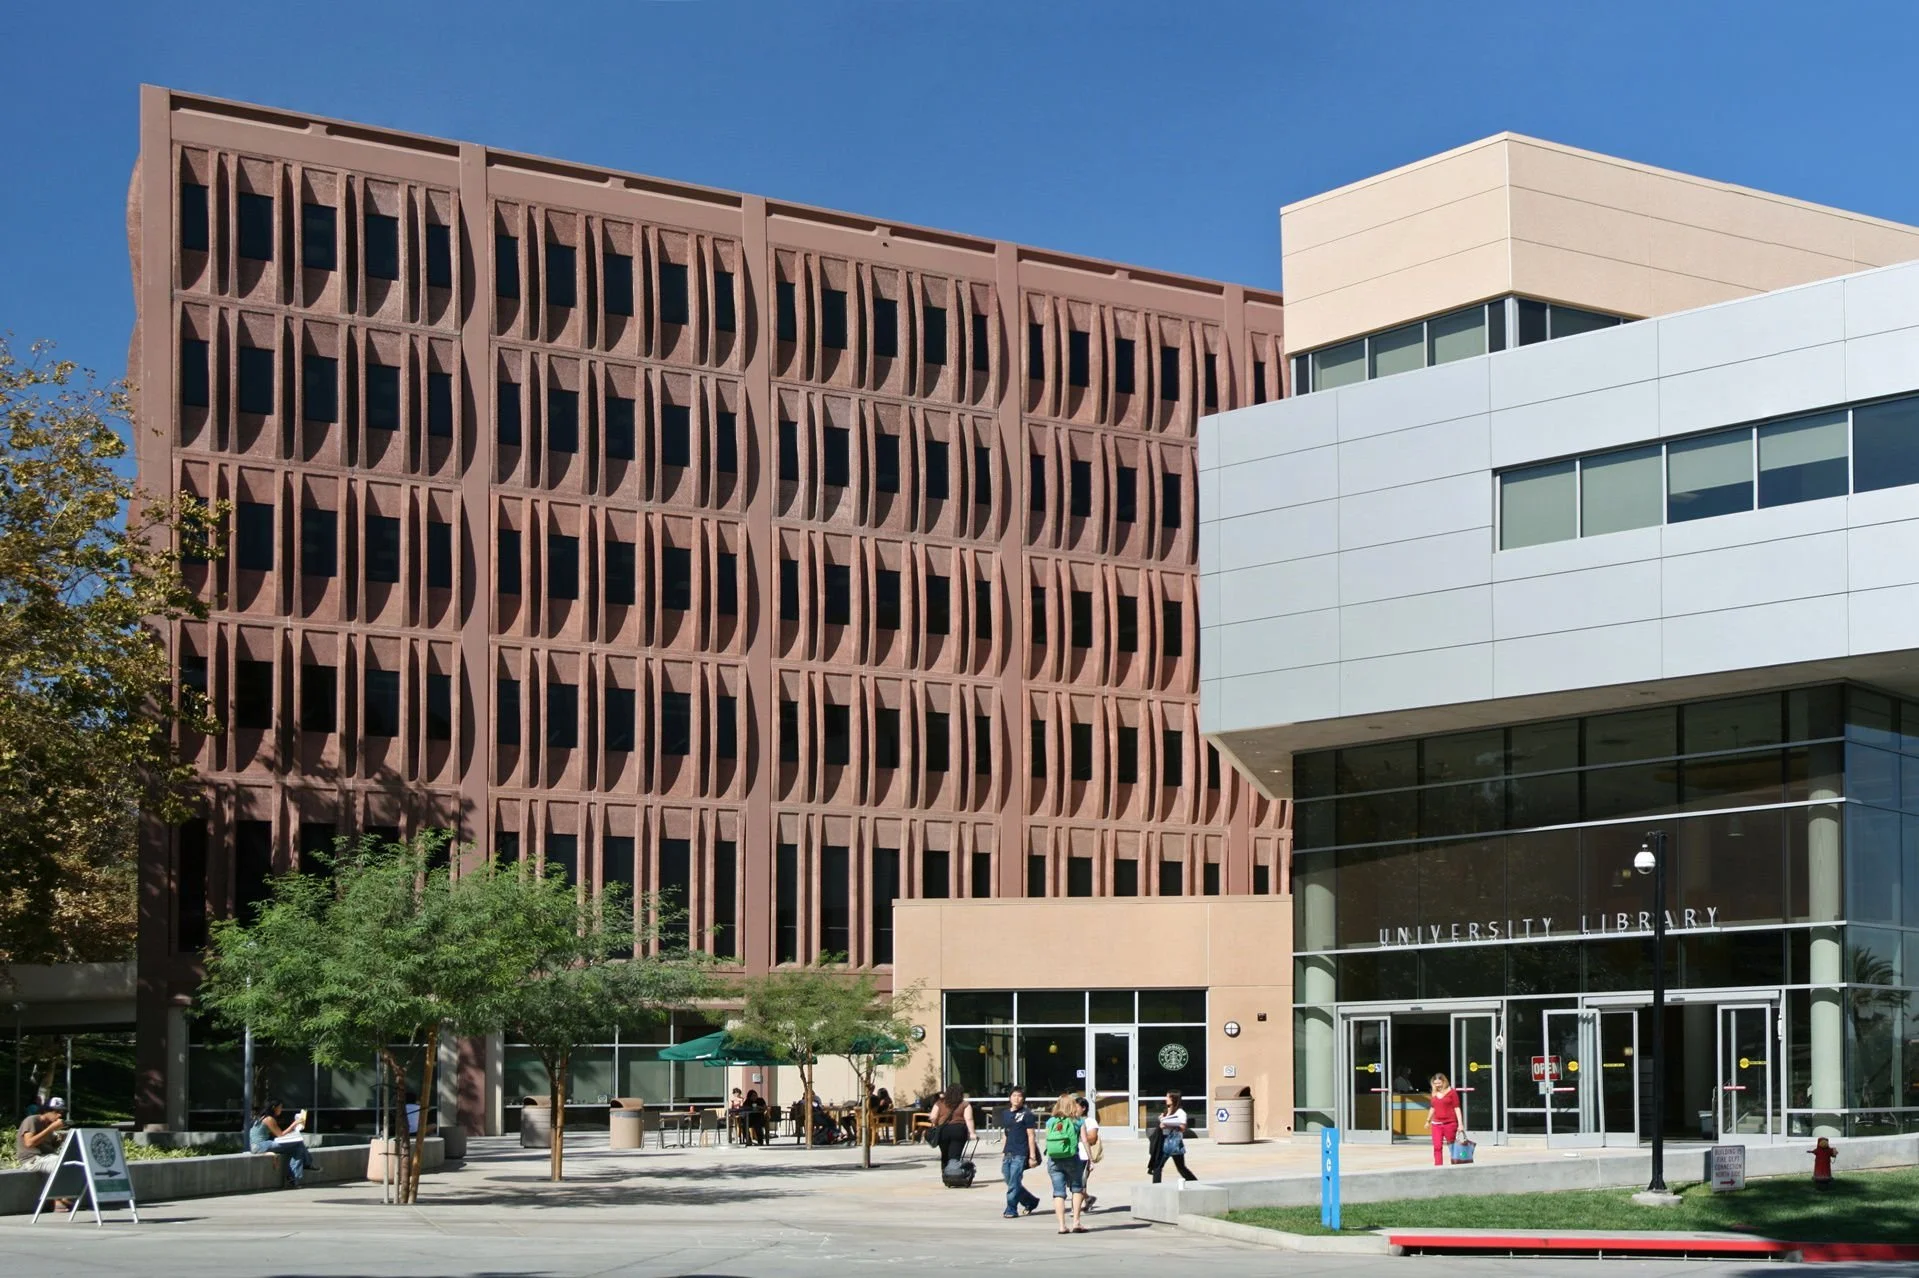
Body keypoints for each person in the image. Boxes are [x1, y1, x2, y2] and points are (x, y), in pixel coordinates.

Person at [17, 1096, 71, 1211]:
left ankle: (64, 1196)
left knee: (69, 1160)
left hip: (46, 1157)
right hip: (32, 1159)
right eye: (56, 1111)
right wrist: (51, 1129)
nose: (59, 1115)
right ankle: (56, 1200)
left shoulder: (49, 1125)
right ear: (46, 1110)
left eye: (62, 1112)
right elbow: (29, 1143)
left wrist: (58, 1141)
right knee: (58, 1163)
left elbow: (48, 1146)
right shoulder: (32, 1120)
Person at [1041, 1094, 1086, 1234]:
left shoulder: (1050, 1122)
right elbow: (1084, 1141)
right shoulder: (1078, 1121)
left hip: (1054, 1159)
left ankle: (1061, 1226)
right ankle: (1076, 1222)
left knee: (1058, 1193)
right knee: (1077, 1188)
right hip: (1073, 1158)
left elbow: (1047, 1139)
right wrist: (1090, 1158)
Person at [997, 1086, 1041, 1218]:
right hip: (1008, 1152)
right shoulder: (1005, 1113)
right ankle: (1031, 1201)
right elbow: (1006, 1132)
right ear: (1010, 1097)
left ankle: (1011, 1208)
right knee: (1009, 1180)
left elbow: (1031, 1135)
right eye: (1014, 1095)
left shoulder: (1027, 1114)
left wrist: (1032, 1156)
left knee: (1014, 1182)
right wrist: (1003, 1150)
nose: (1016, 1098)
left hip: (1021, 1153)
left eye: (1019, 1096)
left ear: (1023, 1099)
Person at [249, 1099, 312, 1188]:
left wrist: (293, 1129)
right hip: (260, 1146)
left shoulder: (263, 1117)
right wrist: (294, 1124)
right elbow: (280, 1135)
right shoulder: (269, 1119)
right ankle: (306, 1164)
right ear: (274, 1108)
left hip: (260, 1145)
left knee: (298, 1149)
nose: (281, 1110)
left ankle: (293, 1180)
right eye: (280, 1107)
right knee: (298, 1143)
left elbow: (279, 1135)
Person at [1148, 1091, 1196, 1183]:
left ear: (1173, 1099)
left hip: (1174, 1143)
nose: (1166, 1099)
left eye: (1168, 1097)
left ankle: (1195, 1183)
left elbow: (1182, 1128)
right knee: (1160, 1166)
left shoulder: (1180, 1112)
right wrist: (1162, 1120)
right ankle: (1194, 1182)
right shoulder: (1167, 1111)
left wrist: (1168, 1125)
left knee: (1161, 1166)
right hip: (1164, 1141)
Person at [928, 1084, 974, 1173]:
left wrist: (937, 1123)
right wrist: (972, 1133)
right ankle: (954, 1174)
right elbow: (969, 1119)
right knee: (955, 1155)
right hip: (958, 1130)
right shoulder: (964, 1104)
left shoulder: (939, 1103)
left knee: (945, 1154)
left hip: (943, 1131)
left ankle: (945, 1175)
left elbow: (933, 1117)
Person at [1427, 1073, 1463, 1167]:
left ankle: (1456, 1165)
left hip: (1450, 1123)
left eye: (1439, 1083)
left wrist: (1460, 1124)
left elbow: (1457, 1108)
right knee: (1437, 1147)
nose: (1437, 1085)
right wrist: (1428, 1120)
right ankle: (1438, 1167)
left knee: (1452, 1145)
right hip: (1436, 1124)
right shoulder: (1434, 1093)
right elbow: (1433, 1107)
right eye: (1435, 1083)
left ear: (1444, 1082)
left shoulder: (1452, 1092)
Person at [1074, 1094, 1102, 1214]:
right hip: (1072, 1154)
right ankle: (1088, 1198)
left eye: (1076, 1107)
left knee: (1081, 1181)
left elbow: (1093, 1138)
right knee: (1074, 1182)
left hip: (1084, 1155)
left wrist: (1079, 1137)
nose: (1074, 1110)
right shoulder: (1072, 1121)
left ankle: (1077, 1208)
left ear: (1083, 1108)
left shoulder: (1090, 1121)